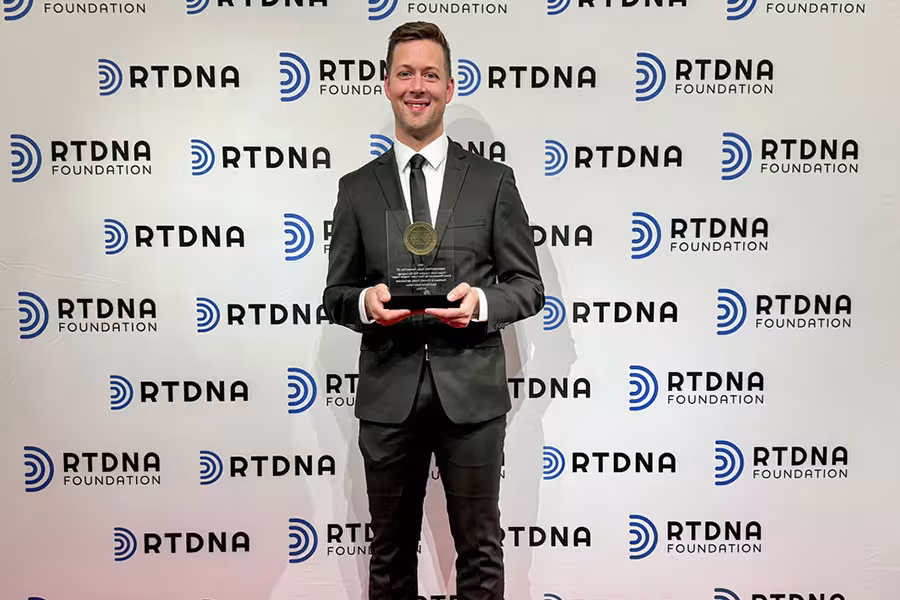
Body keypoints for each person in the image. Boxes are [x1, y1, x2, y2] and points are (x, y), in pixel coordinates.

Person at [323, 21, 544, 600]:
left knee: (479, 554)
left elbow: (527, 285)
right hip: (389, 395)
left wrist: (481, 304)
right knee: (390, 557)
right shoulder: (357, 190)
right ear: (386, 84)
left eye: (429, 74)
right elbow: (335, 294)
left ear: (449, 87)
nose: (416, 86)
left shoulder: (494, 183)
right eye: (404, 73)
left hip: (471, 392)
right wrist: (365, 304)